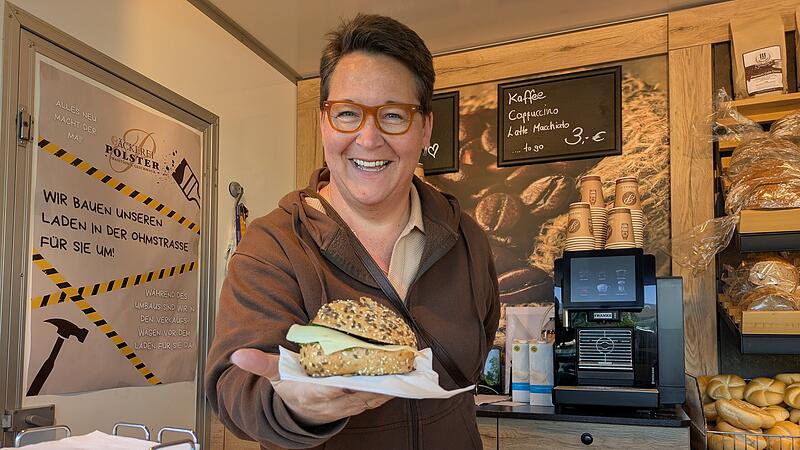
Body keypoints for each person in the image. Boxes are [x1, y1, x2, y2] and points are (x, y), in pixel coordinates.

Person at [205, 14, 500, 450]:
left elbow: (478, 348)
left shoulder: (467, 239)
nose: (367, 138)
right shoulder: (273, 246)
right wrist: (296, 409)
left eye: (394, 116)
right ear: (324, 123)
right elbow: (235, 389)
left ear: (425, 129)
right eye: (347, 114)